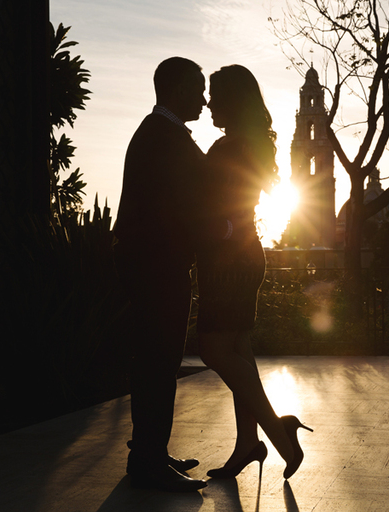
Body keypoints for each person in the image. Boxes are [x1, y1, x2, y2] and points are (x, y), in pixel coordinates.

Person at [113, 57, 234, 493]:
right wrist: (225, 229)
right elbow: (182, 208)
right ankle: (148, 461)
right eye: (198, 89)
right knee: (158, 361)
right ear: (177, 89)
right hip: (157, 266)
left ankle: (149, 452)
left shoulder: (159, 134)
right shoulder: (164, 138)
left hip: (152, 264)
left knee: (156, 360)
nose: (204, 99)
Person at [196, 65, 312, 480]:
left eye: (215, 95)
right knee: (238, 350)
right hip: (244, 256)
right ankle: (247, 443)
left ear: (233, 101)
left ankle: (279, 433)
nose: (209, 102)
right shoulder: (252, 145)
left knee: (213, 350)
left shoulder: (228, 149)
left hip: (228, 262)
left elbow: (215, 208)